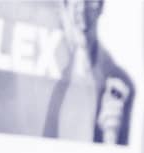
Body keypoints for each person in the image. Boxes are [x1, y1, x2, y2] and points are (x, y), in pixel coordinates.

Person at [46, 0, 136, 144]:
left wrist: (111, 136)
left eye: (90, 3)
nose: (82, 15)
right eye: (76, 4)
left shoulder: (119, 84)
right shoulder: (51, 74)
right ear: (64, 9)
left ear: (101, 6)